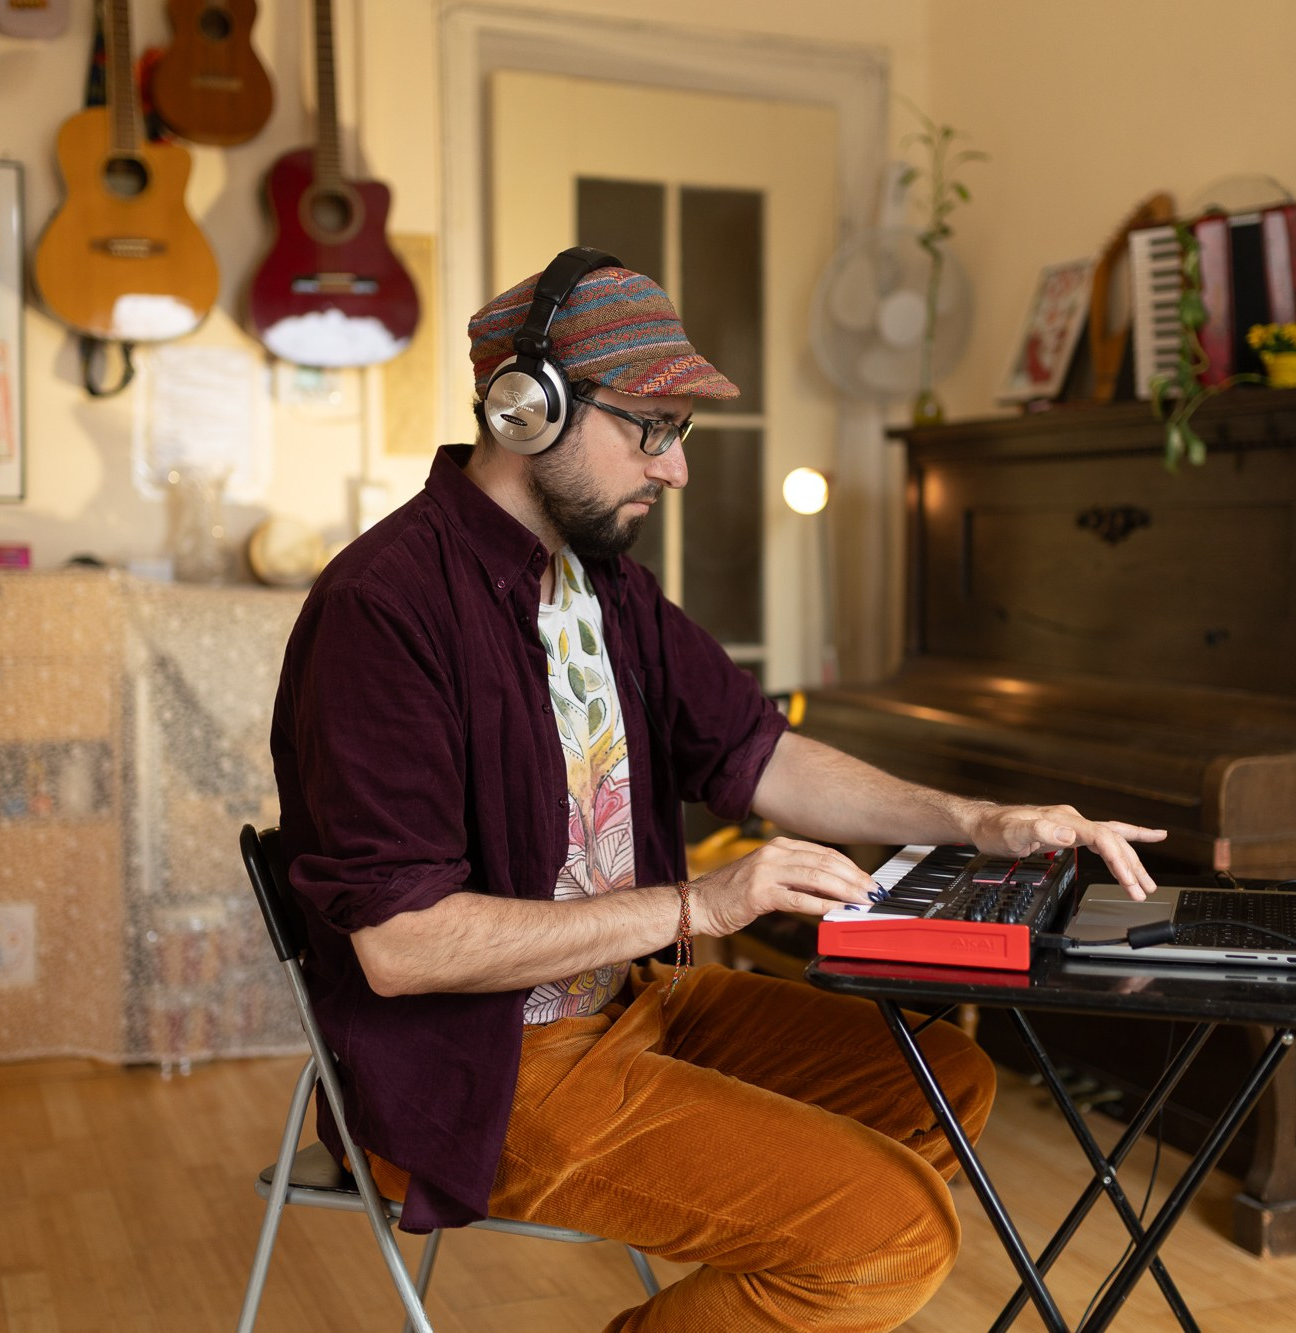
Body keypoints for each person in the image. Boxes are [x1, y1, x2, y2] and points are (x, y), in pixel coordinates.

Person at [270, 248, 1167, 1333]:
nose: (676, 468)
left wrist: (980, 820)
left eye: (678, 432)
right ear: (526, 408)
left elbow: (761, 755)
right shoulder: (384, 608)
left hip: (632, 1002)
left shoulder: (606, 585)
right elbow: (401, 946)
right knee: (894, 1234)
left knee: (942, 1078)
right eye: (651, 427)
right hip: (480, 1065)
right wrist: (701, 904)